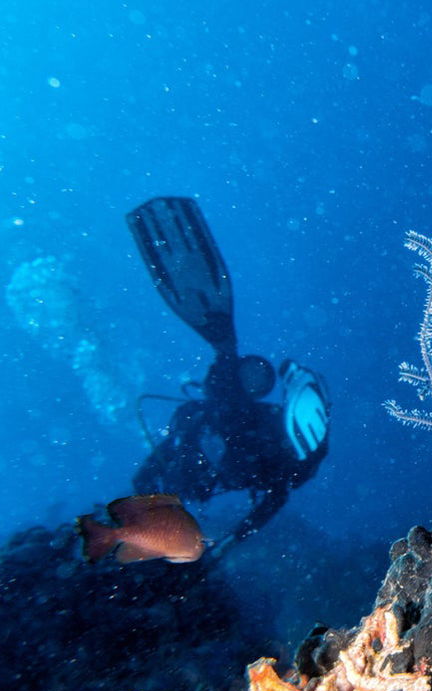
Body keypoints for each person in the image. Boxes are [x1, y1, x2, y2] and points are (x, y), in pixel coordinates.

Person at [126, 197, 330, 557]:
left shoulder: (266, 429)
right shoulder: (204, 419)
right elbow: (148, 476)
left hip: (206, 489)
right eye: (249, 379)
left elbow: (278, 493)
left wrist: (231, 541)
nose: (252, 387)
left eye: (258, 382)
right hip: (182, 488)